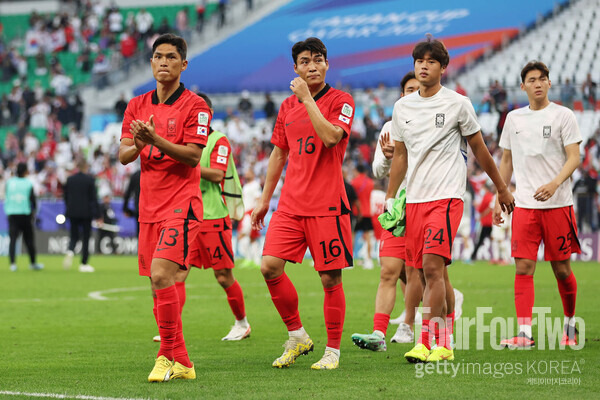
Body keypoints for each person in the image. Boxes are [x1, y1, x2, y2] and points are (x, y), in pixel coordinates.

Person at [385, 36, 514, 363]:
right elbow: (399, 155)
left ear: (443, 67)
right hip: (413, 200)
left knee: (431, 266)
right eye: (419, 61)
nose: (424, 66)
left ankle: (432, 343)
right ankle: (436, 341)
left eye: (431, 61)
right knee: (423, 272)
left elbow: (480, 148)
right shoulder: (402, 107)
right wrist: (390, 197)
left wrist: (501, 188)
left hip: (446, 197)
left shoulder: (458, 103)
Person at [251, 37, 355, 370]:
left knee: (329, 279)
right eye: (306, 61)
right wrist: (264, 201)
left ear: (327, 64)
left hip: (327, 205)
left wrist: (308, 99)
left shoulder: (342, 100)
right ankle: (298, 335)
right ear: (295, 67)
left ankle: (333, 351)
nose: (312, 66)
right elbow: (279, 152)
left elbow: (330, 138)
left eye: (319, 60)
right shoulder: (286, 107)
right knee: (268, 266)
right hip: (291, 204)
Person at [118, 33, 212, 382]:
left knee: (161, 275)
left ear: (183, 64)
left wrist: (155, 139)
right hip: (149, 208)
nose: (163, 62)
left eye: (171, 57)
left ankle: (164, 356)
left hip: (182, 205)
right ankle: (183, 360)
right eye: (158, 56)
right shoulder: (136, 105)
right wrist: (140, 142)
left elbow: (192, 156)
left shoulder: (196, 106)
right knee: (157, 285)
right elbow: (124, 155)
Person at [495, 61, 582, 348]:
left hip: (558, 205)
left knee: (561, 269)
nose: (537, 84)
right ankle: (524, 334)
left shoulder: (563, 116)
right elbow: (506, 161)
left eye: (542, 79)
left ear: (549, 83)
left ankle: (570, 324)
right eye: (532, 80)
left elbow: (574, 157)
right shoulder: (513, 119)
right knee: (523, 268)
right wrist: (500, 194)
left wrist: (554, 183)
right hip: (524, 206)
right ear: (523, 86)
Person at [351, 71, 423, 350]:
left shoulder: (436, 122)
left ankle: (416, 323)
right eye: (408, 89)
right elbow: (377, 170)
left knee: (422, 272)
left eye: (417, 88)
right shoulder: (390, 126)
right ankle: (379, 335)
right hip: (398, 207)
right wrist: (390, 156)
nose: (413, 92)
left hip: (426, 202)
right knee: (390, 271)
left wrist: (407, 154)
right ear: (401, 94)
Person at [173, 92, 251, 342]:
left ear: (210, 114)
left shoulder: (219, 140)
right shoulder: (182, 142)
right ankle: (171, 328)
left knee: (223, 276)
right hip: (187, 217)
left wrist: (186, 162)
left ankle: (242, 323)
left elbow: (217, 174)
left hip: (213, 217)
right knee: (178, 274)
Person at [63, 159, 100, 273]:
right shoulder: (90, 180)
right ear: (85, 167)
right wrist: (98, 214)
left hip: (72, 212)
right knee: (86, 238)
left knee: (74, 235)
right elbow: (93, 199)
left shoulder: (70, 180)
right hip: (86, 213)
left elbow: (65, 197)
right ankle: (83, 263)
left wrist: (69, 209)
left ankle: (70, 251)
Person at [4, 162, 43, 272]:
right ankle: (33, 263)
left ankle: (12, 264)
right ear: (25, 171)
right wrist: (34, 212)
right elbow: (33, 200)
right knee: (29, 240)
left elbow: (6, 196)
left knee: (12, 240)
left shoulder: (10, 182)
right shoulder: (28, 183)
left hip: (12, 213)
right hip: (25, 214)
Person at [351, 164, 375, 269]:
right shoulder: (370, 182)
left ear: (357, 171)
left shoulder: (354, 182)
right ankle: (369, 260)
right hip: (367, 212)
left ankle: (350, 259)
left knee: (352, 236)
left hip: (357, 213)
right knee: (368, 237)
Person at [470, 182, 494, 261]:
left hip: (485, 222)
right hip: (491, 222)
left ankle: (473, 256)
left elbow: (480, 209)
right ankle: (499, 256)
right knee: (494, 239)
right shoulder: (491, 197)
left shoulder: (486, 197)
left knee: (480, 240)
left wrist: (477, 205)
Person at [122, 169, 141, 235]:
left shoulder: (136, 175)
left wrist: (125, 209)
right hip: (152, 209)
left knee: (140, 233)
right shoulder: (153, 173)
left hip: (139, 208)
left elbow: (128, 192)